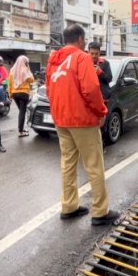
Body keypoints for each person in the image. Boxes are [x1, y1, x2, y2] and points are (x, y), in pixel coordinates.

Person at [46, 24, 120, 226]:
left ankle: (69, 206)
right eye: (85, 40)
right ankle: (100, 211)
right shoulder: (81, 57)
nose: (85, 43)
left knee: (68, 163)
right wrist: (101, 112)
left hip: (61, 119)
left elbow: (49, 89)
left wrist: (57, 113)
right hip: (82, 120)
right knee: (94, 164)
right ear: (80, 39)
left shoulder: (53, 59)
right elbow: (91, 88)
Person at [8, 55, 35, 137]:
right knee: (22, 112)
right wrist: (28, 70)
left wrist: (10, 94)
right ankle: (20, 131)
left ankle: (22, 129)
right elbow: (32, 80)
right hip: (24, 93)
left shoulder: (12, 70)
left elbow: (10, 83)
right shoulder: (25, 70)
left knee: (21, 111)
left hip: (15, 93)